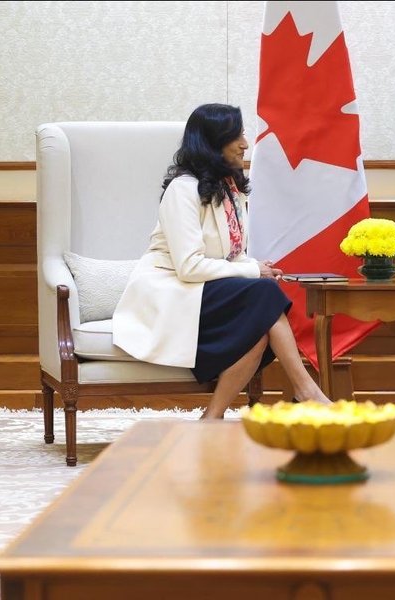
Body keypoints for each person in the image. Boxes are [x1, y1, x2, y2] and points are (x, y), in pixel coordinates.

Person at [112, 103, 331, 419]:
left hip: (204, 292)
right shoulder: (182, 190)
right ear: (212, 142)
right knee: (265, 298)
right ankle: (307, 391)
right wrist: (252, 271)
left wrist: (256, 268)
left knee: (260, 320)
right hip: (173, 293)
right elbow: (189, 267)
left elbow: (231, 254)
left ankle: (212, 418)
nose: (245, 144)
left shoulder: (230, 189)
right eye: (236, 136)